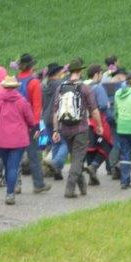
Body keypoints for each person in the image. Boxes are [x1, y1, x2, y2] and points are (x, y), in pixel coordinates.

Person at [52, 59, 102, 199]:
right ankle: (69, 189)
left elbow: (55, 111)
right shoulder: (84, 87)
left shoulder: (60, 87)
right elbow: (94, 109)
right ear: (79, 72)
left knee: (76, 157)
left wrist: (56, 130)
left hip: (64, 128)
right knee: (77, 159)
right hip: (80, 128)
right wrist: (99, 125)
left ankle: (82, 187)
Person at [0, 76, 37, 205]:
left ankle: (9, 191)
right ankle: (10, 194)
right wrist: (29, 128)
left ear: (4, 87)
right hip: (19, 140)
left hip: (1, 140)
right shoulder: (22, 101)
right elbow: (31, 120)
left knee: (7, 165)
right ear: (15, 87)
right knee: (13, 167)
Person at [15, 54, 51, 195]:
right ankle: (38, 184)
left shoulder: (15, 80)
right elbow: (37, 106)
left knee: (16, 154)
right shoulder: (34, 82)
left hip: (16, 121)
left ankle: (15, 184)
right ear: (31, 66)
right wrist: (36, 125)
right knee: (34, 155)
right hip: (30, 123)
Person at [42, 64, 68, 180]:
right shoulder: (60, 85)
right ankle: (56, 163)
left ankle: (57, 172)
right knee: (66, 143)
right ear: (57, 73)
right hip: (58, 117)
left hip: (46, 118)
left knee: (55, 143)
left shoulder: (44, 86)